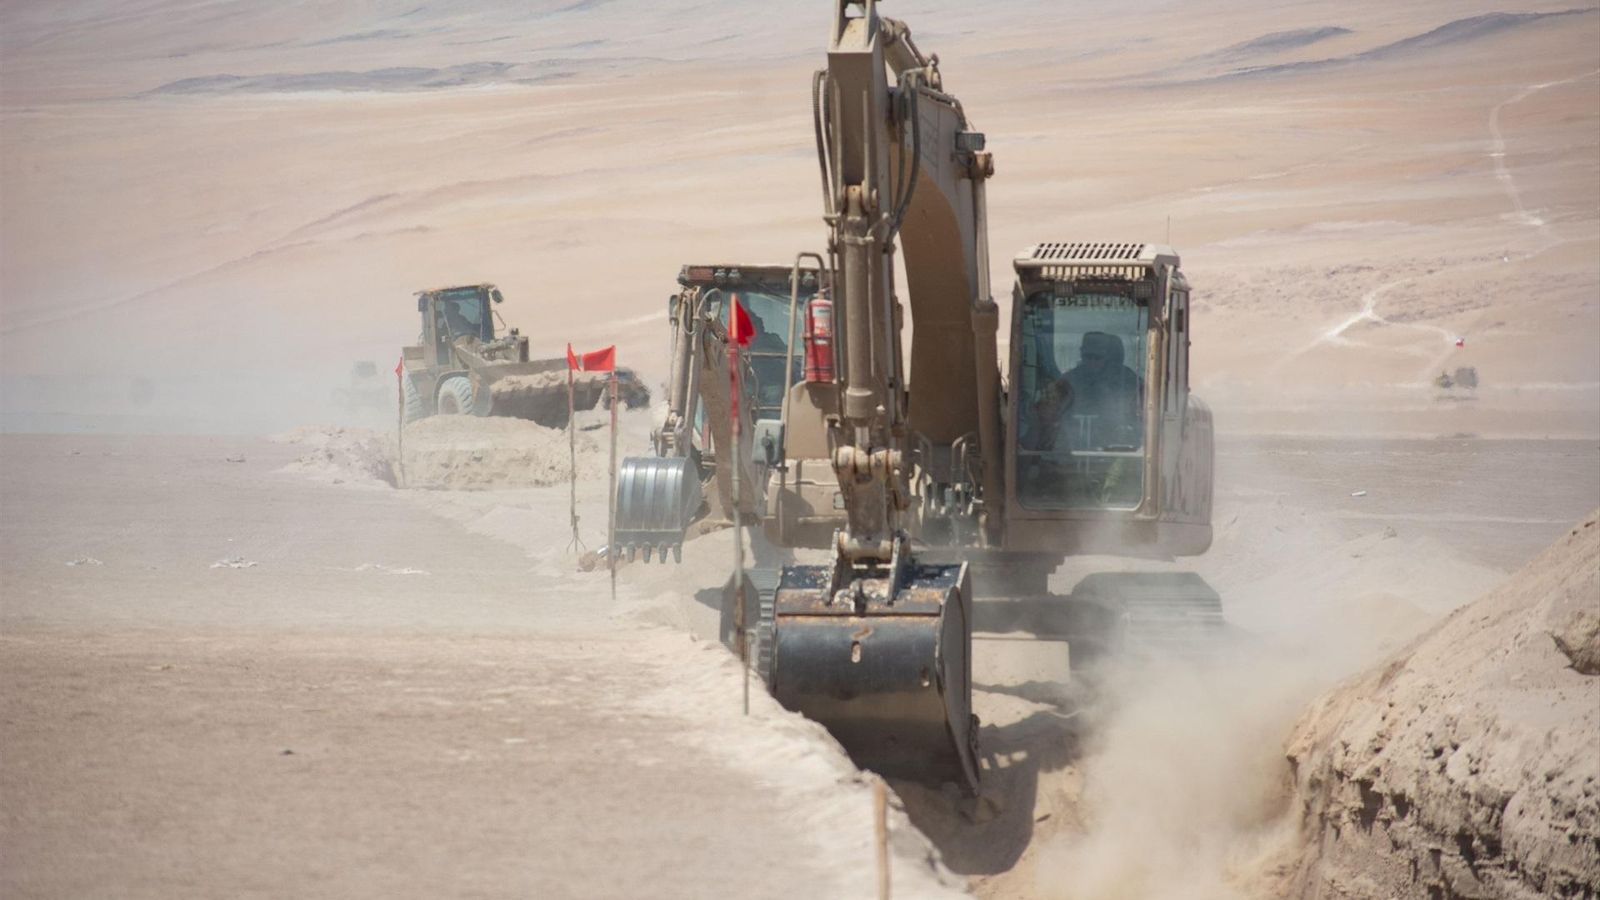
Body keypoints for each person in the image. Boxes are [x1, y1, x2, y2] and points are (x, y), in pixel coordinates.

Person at [1029, 331, 1143, 450]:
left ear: (1108, 355)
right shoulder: (1067, 381)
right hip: (1072, 452)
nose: (1092, 361)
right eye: (1087, 356)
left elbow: (1144, 414)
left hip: (1116, 448)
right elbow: (1044, 415)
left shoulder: (1129, 381)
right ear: (1081, 352)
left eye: (1097, 357)